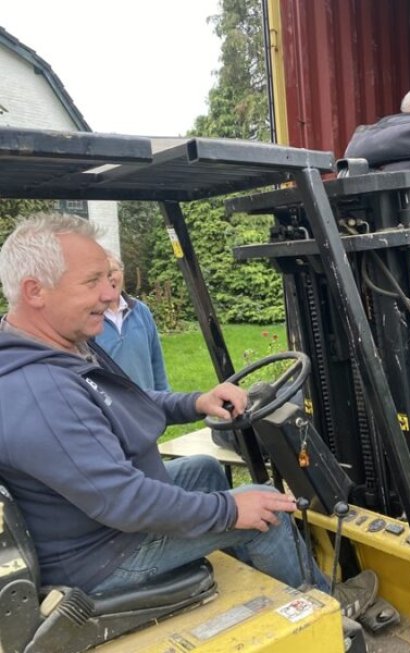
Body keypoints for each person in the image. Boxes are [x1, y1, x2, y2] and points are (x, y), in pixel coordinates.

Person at [0, 213, 376, 617]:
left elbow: (121, 401)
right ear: (35, 291)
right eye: (91, 283)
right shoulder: (40, 392)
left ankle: (263, 579)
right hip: (105, 558)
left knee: (204, 470)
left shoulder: (59, 348)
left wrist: (197, 401)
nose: (109, 296)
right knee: (266, 508)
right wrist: (232, 511)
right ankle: (327, 610)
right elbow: (127, 502)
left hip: (99, 527)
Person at [94, 253, 170, 391]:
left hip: (146, 402)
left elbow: (157, 362)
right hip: (111, 408)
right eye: (101, 275)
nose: (108, 278)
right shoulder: (90, 320)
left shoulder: (141, 311)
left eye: (112, 272)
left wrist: (165, 397)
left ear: (122, 272)